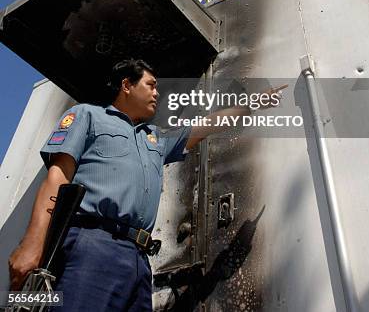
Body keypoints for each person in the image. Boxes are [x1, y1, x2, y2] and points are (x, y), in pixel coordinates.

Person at [8, 59, 270, 311]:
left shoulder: (154, 138)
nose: (157, 92)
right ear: (126, 85)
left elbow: (202, 128)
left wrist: (249, 106)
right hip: (94, 244)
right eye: (151, 85)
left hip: (139, 260)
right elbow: (58, 177)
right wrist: (33, 243)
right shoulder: (87, 115)